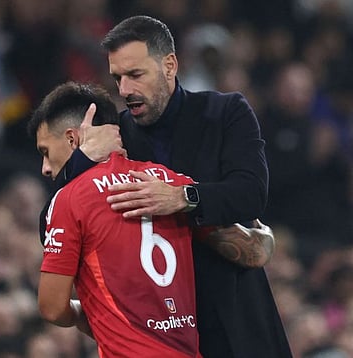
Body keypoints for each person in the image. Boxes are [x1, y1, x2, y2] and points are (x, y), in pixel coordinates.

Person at [51, 16, 292, 358]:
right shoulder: (114, 139)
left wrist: (182, 197)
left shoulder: (225, 111)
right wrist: (83, 160)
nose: (124, 91)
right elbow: (52, 221)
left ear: (169, 65)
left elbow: (251, 193)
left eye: (135, 75)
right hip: (161, 332)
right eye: (117, 78)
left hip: (236, 318)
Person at [31, 81, 202, 357]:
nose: (45, 168)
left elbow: (52, 307)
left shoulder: (70, 198)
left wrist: (84, 311)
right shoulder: (171, 183)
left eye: (46, 152)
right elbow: (246, 243)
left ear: (73, 139)